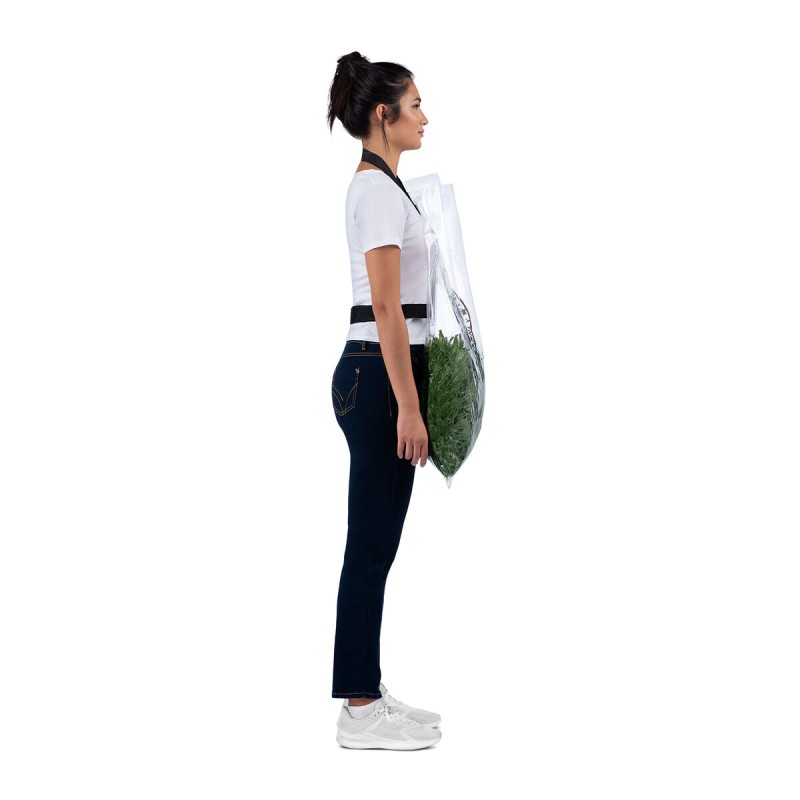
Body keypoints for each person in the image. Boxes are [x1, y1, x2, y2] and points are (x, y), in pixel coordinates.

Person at [326, 51, 442, 750]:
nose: (424, 117)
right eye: (416, 104)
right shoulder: (373, 191)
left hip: (387, 372)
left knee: (378, 544)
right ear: (383, 113)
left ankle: (365, 687)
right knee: (369, 545)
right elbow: (389, 309)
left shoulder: (389, 187)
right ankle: (360, 709)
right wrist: (409, 407)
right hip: (378, 376)